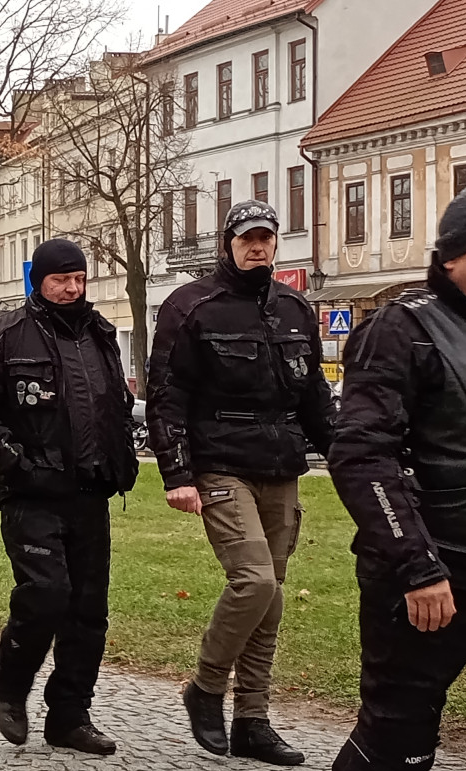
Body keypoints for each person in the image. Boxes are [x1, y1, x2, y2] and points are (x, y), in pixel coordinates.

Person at [328, 185, 466, 771]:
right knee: (396, 747)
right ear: (453, 258)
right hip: (431, 579)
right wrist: (417, 565)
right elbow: (363, 456)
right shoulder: (400, 330)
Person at [146, 200, 336, 766]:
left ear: (276, 245)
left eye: (267, 239)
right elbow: (167, 394)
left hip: (280, 467)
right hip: (220, 463)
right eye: (248, 238)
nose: (258, 247)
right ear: (228, 242)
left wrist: (350, 457)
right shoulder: (191, 306)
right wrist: (177, 473)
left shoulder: (296, 308)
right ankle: (204, 688)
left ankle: (252, 719)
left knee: (272, 597)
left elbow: (315, 400)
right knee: (253, 582)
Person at [0, 239, 138, 756]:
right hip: (31, 493)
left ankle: (70, 715)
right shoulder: (1, 335)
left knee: (88, 611)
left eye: (79, 279)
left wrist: (120, 459)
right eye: (61, 279)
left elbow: (115, 404)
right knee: (46, 595)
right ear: (38, 281)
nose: (72, 288)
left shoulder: (100, 333)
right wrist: (16, 461)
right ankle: (11, 681)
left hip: (91, 492)